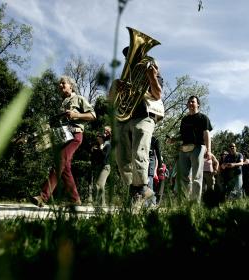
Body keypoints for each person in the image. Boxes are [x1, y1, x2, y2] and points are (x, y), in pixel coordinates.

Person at [31, 75, 96, 207]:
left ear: (71, 86)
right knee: (65, 168)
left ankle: (43, 197)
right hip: (62, 137)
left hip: (75, 136)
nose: (60, 86)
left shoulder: (79, 99)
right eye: (59, 84)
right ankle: (75, 199)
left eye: (63, 83)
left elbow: (93, 115)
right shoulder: (62, 103)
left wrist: (76, 115)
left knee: (59, 162)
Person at [110, 46, 163, 203]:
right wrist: (114, 89)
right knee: (121, 158)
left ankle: (140, 190)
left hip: (144, 117)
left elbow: (157, 94)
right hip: (124, 118)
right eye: (128, 58)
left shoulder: (152, 71)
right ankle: (137, 189)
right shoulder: (123, 77)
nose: (130, 60)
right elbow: (111, 102)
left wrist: (152, 76)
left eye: (133, 56)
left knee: (139, 152)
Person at [171, 95, 213, 202]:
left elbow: (206, 134)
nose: (190, 103)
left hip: (198, 148)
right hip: (184, 149)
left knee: (196, 177)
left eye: (193, 102)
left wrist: (209, 151)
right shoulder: (184, 120)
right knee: (183, 177)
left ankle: (195, 202)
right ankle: (184, 201)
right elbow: (183, 136)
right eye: (189, 102)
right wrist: (173, 140)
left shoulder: (203, 118)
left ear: (198, 104)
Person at [89, 132, 112, 206]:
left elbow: (104, 156)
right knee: (100, 185)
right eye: (97, 136)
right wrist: (93, 150)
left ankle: (99, 203)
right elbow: (94, 157)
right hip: (99, 166)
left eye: (99, 136)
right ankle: (102, 203)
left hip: (105, 167)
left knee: (99, 184)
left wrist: (100, 149)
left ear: (102, 138)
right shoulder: (97, 145)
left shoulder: (108, 145)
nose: (97, 138)